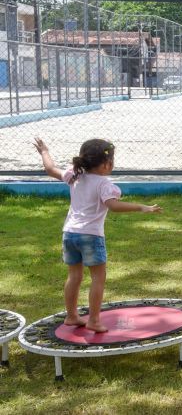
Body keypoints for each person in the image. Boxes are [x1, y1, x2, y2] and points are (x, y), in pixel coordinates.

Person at [33, 138, 161, 333]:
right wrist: (142, 207)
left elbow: (50, 169)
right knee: (98, 278)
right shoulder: (104, 184)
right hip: (91, 236)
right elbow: (113, 205)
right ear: (107, 164)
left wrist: (44, 151)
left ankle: (71, 316)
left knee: (74, 276)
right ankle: (93, 320)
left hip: (70, 234)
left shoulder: (75, 176)